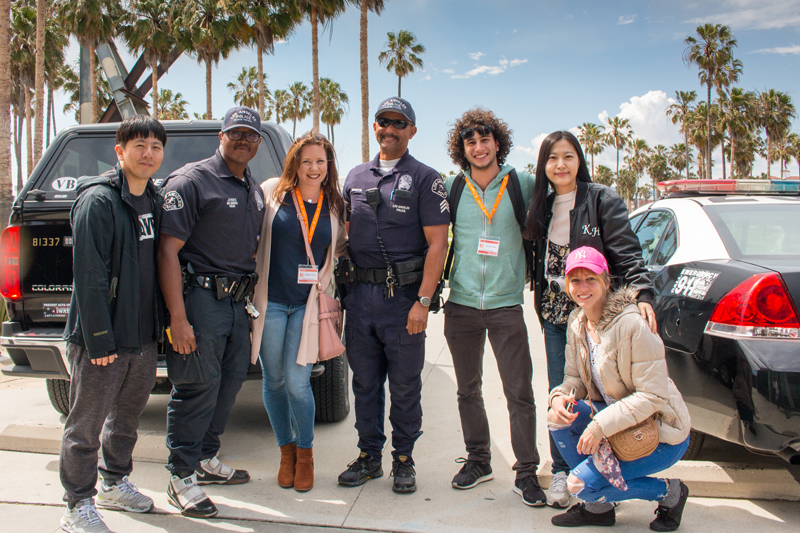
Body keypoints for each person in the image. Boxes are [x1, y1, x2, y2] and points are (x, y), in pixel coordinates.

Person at [524, 130, 656, 508]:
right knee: (561, 392)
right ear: (543, 165)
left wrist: (642, 293)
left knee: (603, 392)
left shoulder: (601, 199)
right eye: (552, 158)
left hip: (594, 314)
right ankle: (564, 472)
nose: (560, 165)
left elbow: (628, 253)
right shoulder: (542, 205)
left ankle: (601, 474)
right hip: (553, 312)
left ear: (579, 159)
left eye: (567, 156)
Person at [59, 115, 166, 533]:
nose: (148, 154)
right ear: (119, 151)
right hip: (100, 341)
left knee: (126, 420)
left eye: (155, 147)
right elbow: (88, 276)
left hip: (141, 337)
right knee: (84, 426)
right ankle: (76, 505)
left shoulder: (154, 201)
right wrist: (100, 341)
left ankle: (115, 483)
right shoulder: (98, 201)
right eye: (139, 145)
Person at [158, 106, 266, 518]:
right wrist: (178, 318)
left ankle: (205, 458)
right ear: (220, 136)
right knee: (196, 387)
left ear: (257, 142)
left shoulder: (251, 187)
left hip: (237, 303)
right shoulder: (192, 181)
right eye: (236, 133)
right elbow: (167, 252)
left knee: (230, 382)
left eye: (250, 135)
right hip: (200, 301)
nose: (243, 140)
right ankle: (179, 476)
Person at [338, 97, 449, 493]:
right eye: (383, 121)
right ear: (374, 126)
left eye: (399, 123)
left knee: (404, 385)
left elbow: (439, 244)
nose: (390, 128)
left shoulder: (425, 178)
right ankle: (369, 456)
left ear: (412, 131)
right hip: (360, 298)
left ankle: (404, 459)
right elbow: (342, 236)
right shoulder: (354, 177)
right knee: (365, 384)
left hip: (403, 301)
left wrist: (422, 301)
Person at [442, 108, 545, 506]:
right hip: (462, 305)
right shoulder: (452, 187)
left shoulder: (522, 183)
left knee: (519, 392)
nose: (479, 147)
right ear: (462, 149)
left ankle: (526, 472)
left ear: (497, 143)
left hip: (506, 306)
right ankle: (479, 460)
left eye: (486, 140)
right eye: (471, 142)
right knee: (468, 390)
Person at [547, 246, 691, 531]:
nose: (582, 287)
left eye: (591, 279)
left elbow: (653, 395)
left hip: (660, 432)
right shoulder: (577, 322)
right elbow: (573, 378)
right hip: (619, 423)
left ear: (606, 281)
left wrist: (599, 425)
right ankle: (598, 505)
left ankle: (670, 493)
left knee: (577, 484)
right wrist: (560, 397)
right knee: (557, 420)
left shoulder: (632, 325)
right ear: (567, 285)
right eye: (575, 280)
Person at [249, 132, 347, 493]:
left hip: (307, 308)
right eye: (306, 160)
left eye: (320, 161)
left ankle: (305, 454)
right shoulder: (272, 192)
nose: (314, 168)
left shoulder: (334, 205)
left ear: (328, 166)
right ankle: (285, 453)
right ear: (295, 162)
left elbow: (341, 249)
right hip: (271, 302)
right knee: (272, 381)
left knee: (298, 383)